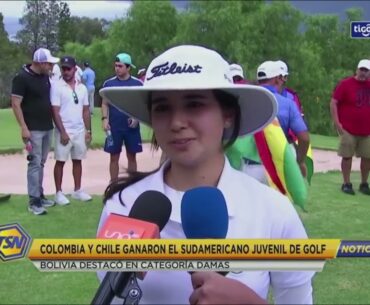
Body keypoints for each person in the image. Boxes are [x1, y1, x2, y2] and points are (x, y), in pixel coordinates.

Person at [98, 45, 314, 304]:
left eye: (195, 104)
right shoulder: (123, 206)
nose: (177, 122)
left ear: (227, 115)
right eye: (162, 108)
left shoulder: (273, 210)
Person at [11, 47, 58, 215]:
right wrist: (24, 127)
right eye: (48, 63)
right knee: (34, 163)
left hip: (47, 127)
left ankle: (40, 194)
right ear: (39, 62)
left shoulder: (45, 77)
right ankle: (34, 201)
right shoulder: (22, 78)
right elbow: (15, 103)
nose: (51, 66)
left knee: (41, 163)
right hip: (32, 129)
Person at [51, 56, 92, 205]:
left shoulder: (82, 87)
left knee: (77, 160)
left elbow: (86, 110)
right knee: (60, 161)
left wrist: (89, 130)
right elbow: (55, 111)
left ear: (75, 69)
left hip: (79, 129)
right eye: (63, 68)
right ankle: (59, 193)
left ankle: (77, 190)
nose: (66, 71)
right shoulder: (57, 86)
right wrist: (62, 132)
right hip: (64, 130)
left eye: (68, 68)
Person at [257, 60, 310, 177]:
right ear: (277, 79)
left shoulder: (245, 99)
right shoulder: (288, 104)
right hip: (279, 163)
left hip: (250, 164)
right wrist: (300, 161)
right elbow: (304, 138)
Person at [101, 53, 143, 182]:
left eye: (120, 66)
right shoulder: (109, 83)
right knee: (114, 157)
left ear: (128, 68)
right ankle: (113, 184)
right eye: (116, 66)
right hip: (114, 126)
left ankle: (132, 184)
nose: (117, 68)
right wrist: (104, 119)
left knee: (132, 156)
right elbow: (104, 103)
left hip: (132, 127)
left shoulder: (138, 84)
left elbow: (142, 105)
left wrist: (137, 118)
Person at [330, 59, 370, 195]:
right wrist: (337, 122)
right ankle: (346, 183)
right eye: (362, 70)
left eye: (366, 70)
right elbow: (334, 102)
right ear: (357, 69)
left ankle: (364, 183)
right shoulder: (346, 84)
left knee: (367, 157)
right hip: (348, 128)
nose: (363, 73)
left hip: (367, 130)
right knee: (347, 156)